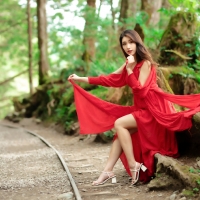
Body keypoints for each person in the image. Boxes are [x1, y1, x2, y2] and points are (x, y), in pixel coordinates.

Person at [68, 29, 200, 186]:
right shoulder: (128, 64)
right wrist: (80, 79)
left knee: (119, 124)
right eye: (124, 44)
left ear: (138, 43)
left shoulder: (146, 64)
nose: (128, 46)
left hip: (154, 111)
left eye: (131, 42)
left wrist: (129, 70)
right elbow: (108, 79)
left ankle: (133, 164)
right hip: (142, 110)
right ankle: (107, 171)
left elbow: (141, 90)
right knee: (119, 134)